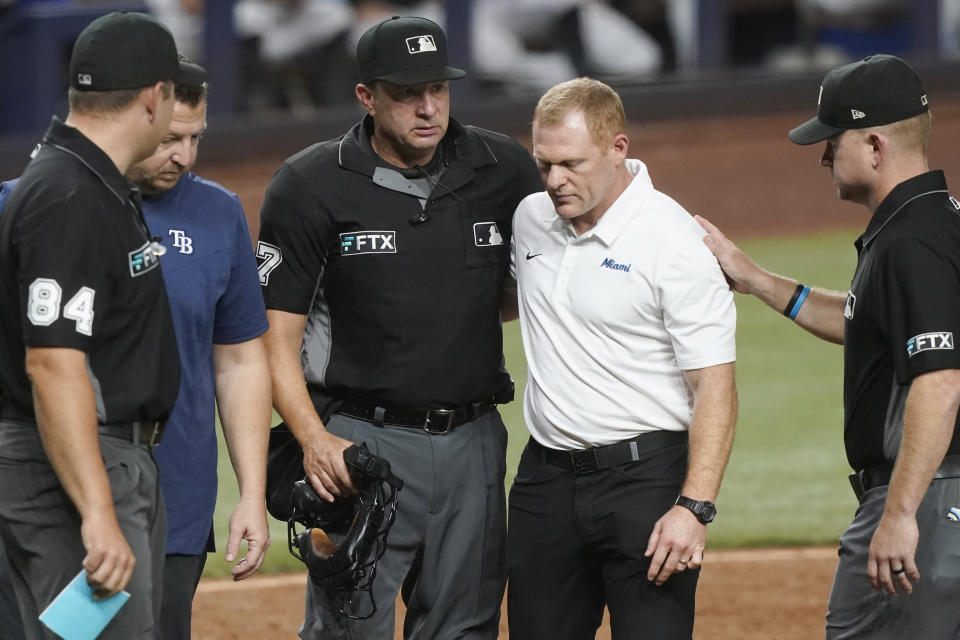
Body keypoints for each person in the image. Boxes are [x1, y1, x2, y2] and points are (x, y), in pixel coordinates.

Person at [256, 15, 542, 639]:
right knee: (347, 628)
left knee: (465, 628)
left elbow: (527, 290)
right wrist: (312, 439)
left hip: (472, 443)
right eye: (408, 93)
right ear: (367, 97)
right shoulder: (310, 183)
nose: (428, 107)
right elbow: (273, 339)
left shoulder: (504, 169)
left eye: (438, 88)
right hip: (361, 444)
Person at [696, 54, 960, 638]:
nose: (822, 156)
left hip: (930, 498)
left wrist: (900, 512)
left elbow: (940, 380)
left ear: (873, 145)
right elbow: (864, 320)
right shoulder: (934, 222)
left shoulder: (910, 244)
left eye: (830, 140)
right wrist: (758, 279)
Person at [505, 77, 738, 639]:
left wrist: (695, 507)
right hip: (545, 482)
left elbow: (715, 387)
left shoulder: (673, 241)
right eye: (544, 164)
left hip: (646, 484)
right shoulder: (531, 219)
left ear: (618, 148)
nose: (555, 180)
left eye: (571, 163)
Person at [0, 11, 185, 639]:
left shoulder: (84, 182)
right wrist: (98, 510)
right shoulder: (70, 196)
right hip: (74, 468)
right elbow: (52, 363)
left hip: (90, 462)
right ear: (155, 97)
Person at [124, 61, 273, 639]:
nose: (184, 157)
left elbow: (239, 360)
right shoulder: (31, 202)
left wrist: (251, 496)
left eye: (195, 139)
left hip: (176, 497)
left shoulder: (218, 213)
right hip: (57, 499)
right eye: (168, 140)